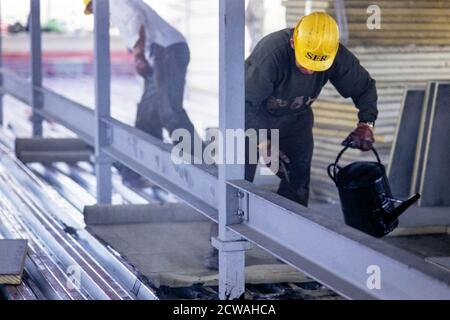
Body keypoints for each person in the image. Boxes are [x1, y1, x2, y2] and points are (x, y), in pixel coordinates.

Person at [203, 12, 378, 270]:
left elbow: (363, 87)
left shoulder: (333, 54)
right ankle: (221, 247)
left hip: (295, 120)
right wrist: (263, 142)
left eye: (316, 66)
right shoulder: (270, 54)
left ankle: (288, 248)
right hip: (250, 118)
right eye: (304, 63)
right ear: (294, 41)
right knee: (236, 182)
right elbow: (242, 101)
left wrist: (366, 123)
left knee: (297, 182)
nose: (309, 70)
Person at [83, 0, 202, 187]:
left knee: (170, 112)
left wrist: (138, 55)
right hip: (162, 53)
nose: (96, 13)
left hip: (166, 50)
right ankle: (142, 169)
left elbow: (135, 19)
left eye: (93, 8)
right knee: (147, 117)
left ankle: (204, 168)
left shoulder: (112, 2)